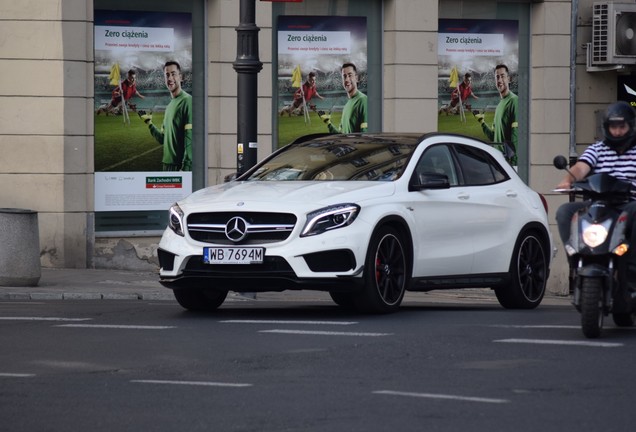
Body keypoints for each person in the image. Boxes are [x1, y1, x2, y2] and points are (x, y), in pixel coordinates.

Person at [555, 101, 636, 289]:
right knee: (565, 211)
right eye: (612, 127)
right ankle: (575, 255)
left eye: (621, 126)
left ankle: (631, 265)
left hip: (628, 204)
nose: (616, 132)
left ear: (630, 126)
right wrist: (568, 180)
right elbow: (581, 167)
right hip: (598, 205)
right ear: (606, 128)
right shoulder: (597, 148)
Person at [140, 61, 192, 171]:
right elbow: (163, 139)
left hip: (179, 167)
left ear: (180, 77)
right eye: (167, 75)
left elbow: (190, 138)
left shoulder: (187, 101)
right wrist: (149, 124)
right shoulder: (168, 107)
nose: (170, 78)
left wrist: (185, 169)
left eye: (173, 74)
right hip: (166, 165)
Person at [474, 64, 518, 165]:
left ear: (509, 79)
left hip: (509, 164)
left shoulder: (514, 101)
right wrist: (482, 123)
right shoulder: (498, 107)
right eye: (497, 77)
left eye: (502, 76)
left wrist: (514, 164)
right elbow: (494, 137)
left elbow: (516, 135)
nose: (499, 80)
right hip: (498, 162)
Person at [320, 62, 368, 133]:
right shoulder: (346, 106)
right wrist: (328, 123)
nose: (346, 79)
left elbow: (365, 135)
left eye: (350, 75)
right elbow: (341, 136)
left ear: (356, 78)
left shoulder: (363, 100)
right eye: (344, 76)